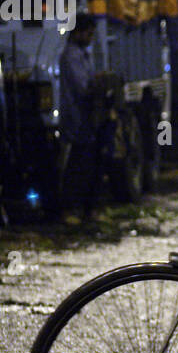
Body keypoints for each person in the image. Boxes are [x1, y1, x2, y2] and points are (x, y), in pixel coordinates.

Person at [58, 21, 105, 224]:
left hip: (84, 119)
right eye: (88, 33)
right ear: (78, 32)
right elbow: (83, 87)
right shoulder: (72, 56)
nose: (91, 38)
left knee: (88, 163)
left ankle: (85, 209)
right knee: (79, 165)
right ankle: (72, 208)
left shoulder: (81, 54)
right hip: (77, 118)